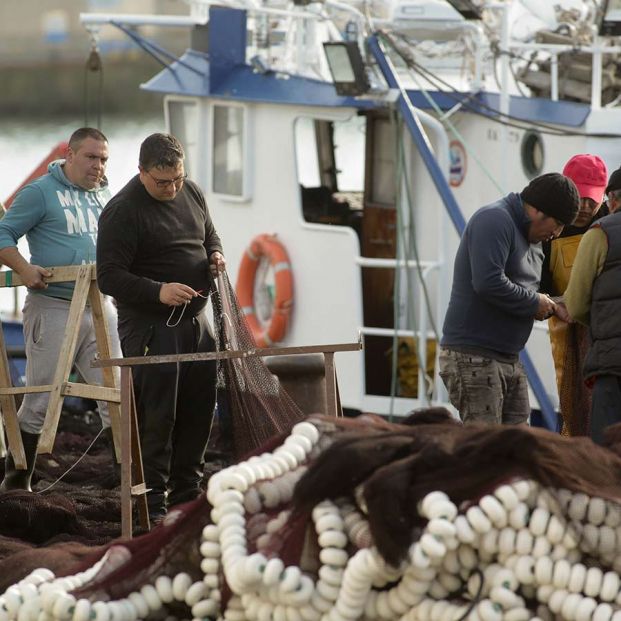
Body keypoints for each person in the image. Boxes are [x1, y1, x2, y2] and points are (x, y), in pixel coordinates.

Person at [96, 133, 226, 522]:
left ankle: (188, 496)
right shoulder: (122, 210)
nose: (171, 189)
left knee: (200, 409)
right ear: (141, 173)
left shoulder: (193, 193)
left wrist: (216, 254)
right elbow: (109, 277)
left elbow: (209, 235)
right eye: (161, 182)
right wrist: (158, 291)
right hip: (149, 325)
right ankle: (153, 505)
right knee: (158, 417)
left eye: (177, 180)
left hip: (196, 321)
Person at [0, 127, 119, 492]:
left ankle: (126, 478)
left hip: (98, 305)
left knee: (116, 396)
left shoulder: (104, 194)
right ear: (70, 154)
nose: (98, 166)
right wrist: (24, 269)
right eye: (91, 157)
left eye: (103, 159)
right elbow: (3, 234)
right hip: (52, 306)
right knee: (40, 399)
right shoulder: (40, 193)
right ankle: (17, 480)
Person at [439, 173, 579, 425]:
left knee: (516, 450)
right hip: (474, 355)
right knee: (487, 452)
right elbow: (488, 282)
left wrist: (554, 303)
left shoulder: (534, 236)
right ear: (537, 211)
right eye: (557, 224)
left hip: (509, 356)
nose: (557, 233)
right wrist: (535, 302)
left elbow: (524, 290)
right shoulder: (494, 220)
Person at [539, 154, 608, 436]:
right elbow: (538, 285)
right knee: (574, 409)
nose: (586, 206)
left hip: (602, 333)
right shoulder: (550, 230)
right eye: (580, 197)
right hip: (564, 334)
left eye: (593, 199)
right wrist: (557, 304)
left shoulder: (609, 225)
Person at [564, 166, 621, 444]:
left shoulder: (600, 233)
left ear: (612, 200)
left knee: (606, 457)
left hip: (612, 365)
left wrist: (602, 322)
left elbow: (575, 305)